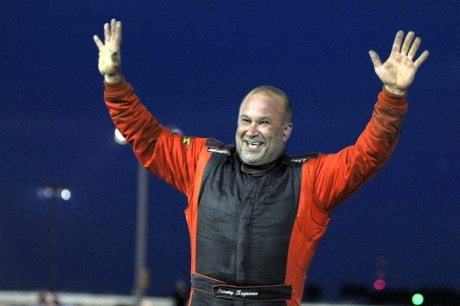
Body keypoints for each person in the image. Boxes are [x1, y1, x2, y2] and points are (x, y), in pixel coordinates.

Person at [94, 19, 428, 306]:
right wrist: (114, 82)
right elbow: (148, 137)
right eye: (245, 120)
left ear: (286, 131)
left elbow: (367, 156)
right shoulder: (202, 162)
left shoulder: (311, 178)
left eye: (264, 122)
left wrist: (392, 96)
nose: (251, 130)